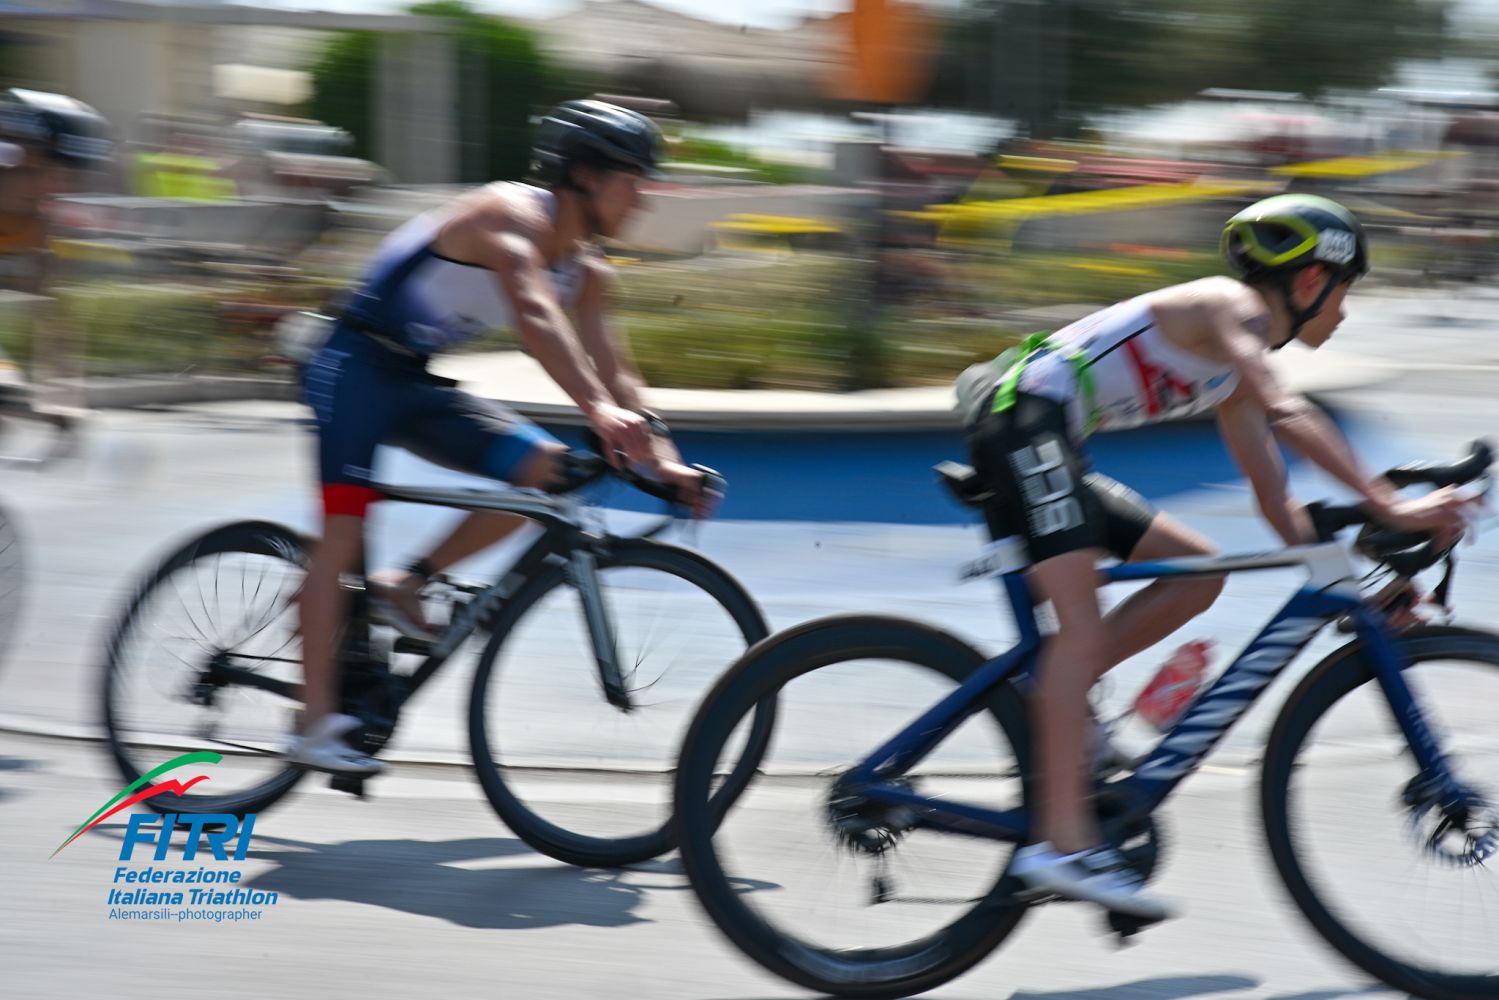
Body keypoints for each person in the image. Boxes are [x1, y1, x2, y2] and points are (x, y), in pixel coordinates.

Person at [960, 193, 1467, 921]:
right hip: (1023, 421)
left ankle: (1059, 702)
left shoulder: (1234, 374)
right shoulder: (1233, 308)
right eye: (1344, 291)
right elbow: (1288, 410)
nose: (1344, 310)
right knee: (1079, 628)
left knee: (1196, 573)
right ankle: (1060, 847)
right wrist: (1391, 506)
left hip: (1046, 437)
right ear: (1308, 280)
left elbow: (1275, 500)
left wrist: (1354, 593)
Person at [290, 100, 715, 776]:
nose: (642, 198)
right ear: (583, 175)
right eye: (632, 180)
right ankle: (314, 724)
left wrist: (666, 463)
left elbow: (620, 376)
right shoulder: (508, 216)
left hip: (409, 378)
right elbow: (535, 313)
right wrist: (597, 411)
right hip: (350, 366)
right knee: (342, 537)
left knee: (549, 472)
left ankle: (406, 583)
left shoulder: (590, 271)